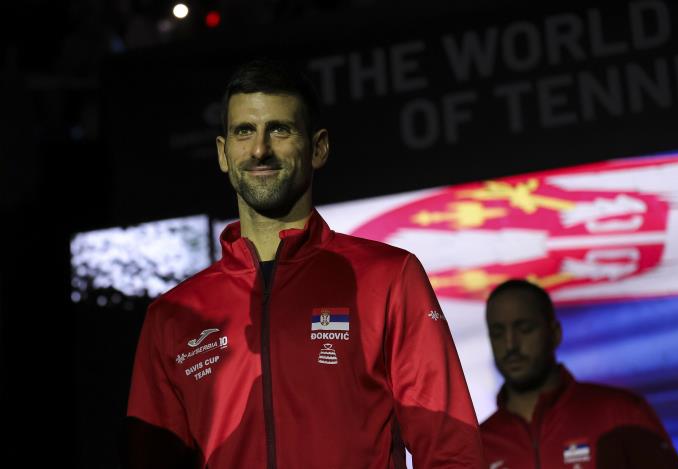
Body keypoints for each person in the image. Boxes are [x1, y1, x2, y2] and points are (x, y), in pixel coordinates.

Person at [125, 59, 485, 468]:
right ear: (223, 153)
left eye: (280, 129)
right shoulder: (172, 316)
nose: (259, 149)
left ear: (318, 148)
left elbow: (451, 449)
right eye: (244, 131)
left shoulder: (388, 277)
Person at [480, 279, 678, 469]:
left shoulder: (620, 413)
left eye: (525, 329)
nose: (510, 345)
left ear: (555, 333)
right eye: (497, 333)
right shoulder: (477, 445)